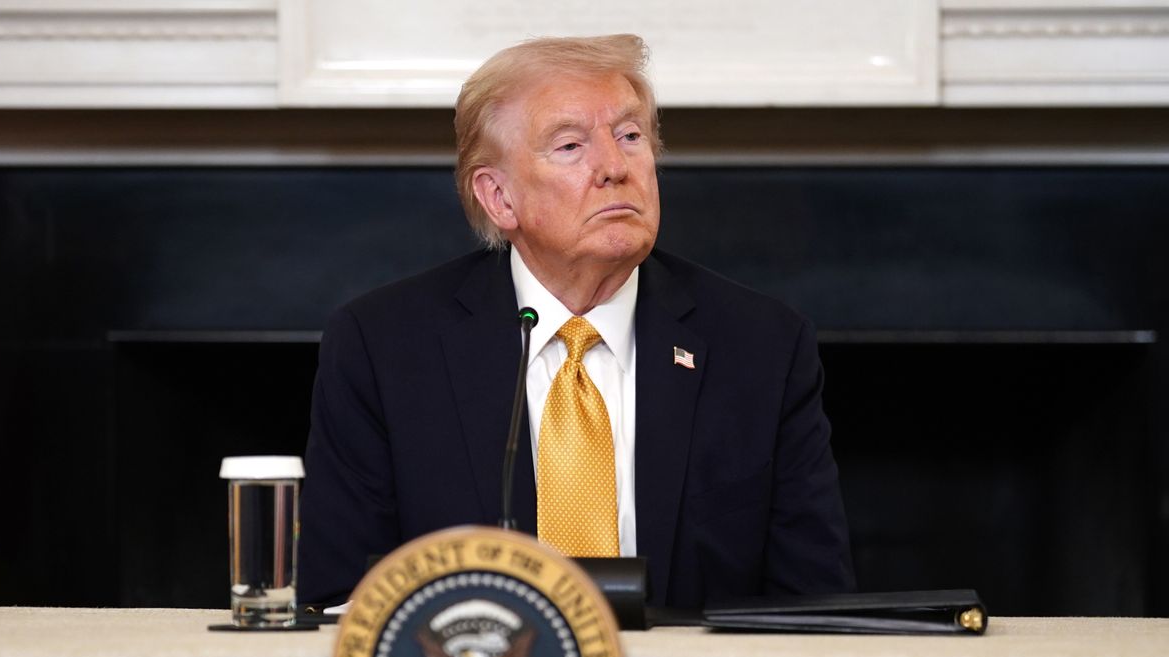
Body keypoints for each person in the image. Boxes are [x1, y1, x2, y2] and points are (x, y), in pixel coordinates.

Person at [298, 34, 855, 609]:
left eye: (630, 136)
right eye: (570, 146)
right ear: (498, 197)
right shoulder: (383, 347)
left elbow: (814, 610)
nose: (615, 168)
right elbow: (341, 602)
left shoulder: (761, 345)